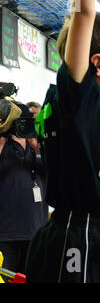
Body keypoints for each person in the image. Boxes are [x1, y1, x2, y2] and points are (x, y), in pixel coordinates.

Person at [25, 0, 100, 283]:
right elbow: (85, 13)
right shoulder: (78, 98)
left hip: (97, 231)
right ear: (97, 64)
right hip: (77, 233)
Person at [0, 101, 48, 276]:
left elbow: (56, 167)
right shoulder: (4, 146)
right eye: (20, 122)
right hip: (5, 236)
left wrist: (37, 143)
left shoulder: (35, 150)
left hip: (35, 235)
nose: (26, 126)